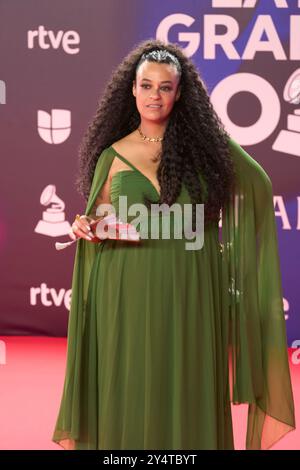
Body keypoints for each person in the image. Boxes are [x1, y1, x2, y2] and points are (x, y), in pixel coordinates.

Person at [52, 39, 295, 450]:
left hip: (190, 286)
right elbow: (104, 217)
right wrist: (88, 225)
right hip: (125, 288)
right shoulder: (112, 155)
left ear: (179, 93)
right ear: (132, 89)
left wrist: (223, 243)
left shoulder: (208, 149)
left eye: (165, 87)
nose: (154, 96)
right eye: (146, 86)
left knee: (186, 379)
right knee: (129, 380)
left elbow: (258, 184)